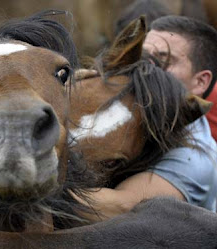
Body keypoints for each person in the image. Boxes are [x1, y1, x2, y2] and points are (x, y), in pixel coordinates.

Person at [72, 15, 217, 222]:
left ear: (200, 81)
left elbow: (120, 207)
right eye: (144, 55)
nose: (144, 66)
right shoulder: (133, 107)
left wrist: (26, 185)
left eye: (164, 59)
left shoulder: (194, 157)